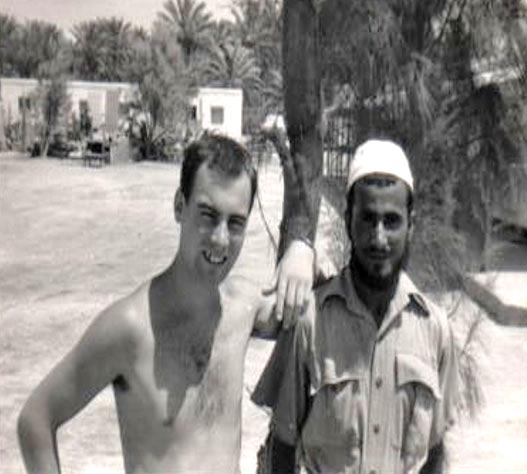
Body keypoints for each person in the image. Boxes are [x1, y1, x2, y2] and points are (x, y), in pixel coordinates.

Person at [17, 133, 315, 474]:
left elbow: (310, 306)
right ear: (179, 206)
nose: (221, 239)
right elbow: (35, 420)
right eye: (208, 215)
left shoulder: (244, 307)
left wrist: (302, 251)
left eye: (235, 223)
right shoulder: (131, 327)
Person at [253, 139, 460, 474]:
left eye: (392, 221)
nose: (379, 238)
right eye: (368, 219)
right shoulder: (310, 321)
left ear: (411, 225)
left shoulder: (435, 330)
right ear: (348, 219)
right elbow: (282, 447)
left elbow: (434, 452)